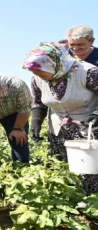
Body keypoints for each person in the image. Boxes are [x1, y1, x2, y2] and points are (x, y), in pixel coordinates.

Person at [22, 42, 98, 194]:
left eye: (41, 71)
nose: (37, 75)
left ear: (54, 63)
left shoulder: (88, 72)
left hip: (88, 125)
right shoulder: (37, 79)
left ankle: (91, 201)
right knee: (61, 163)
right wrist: (36, 123)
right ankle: (69, 197)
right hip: (58, 127)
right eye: (34, 72)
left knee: (89, 166)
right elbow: (38, 103)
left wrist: (96, 114)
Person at [32, 26, 98, 142]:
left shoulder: (90, 70)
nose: (75, 49)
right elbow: (39, 99)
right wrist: (36, 121)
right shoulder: (59, 58)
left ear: (91, 41)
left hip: (89, 121)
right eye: (72, 45)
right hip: (60, 124)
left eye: (80, 45)